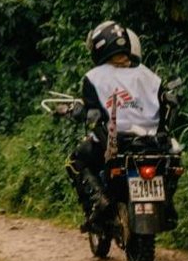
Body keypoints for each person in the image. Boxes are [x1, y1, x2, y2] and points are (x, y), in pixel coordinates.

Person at [66, 21, 162, 229]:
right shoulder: (149, 75)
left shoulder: (94, 78)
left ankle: (100, 199)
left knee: (76, 160)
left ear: (99, 47)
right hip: (152, 141)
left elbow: (93, 114)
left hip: (116, 143)